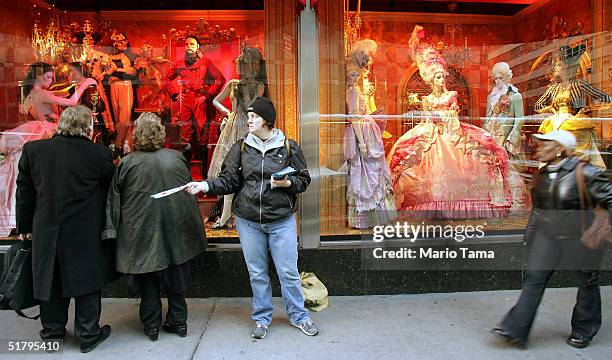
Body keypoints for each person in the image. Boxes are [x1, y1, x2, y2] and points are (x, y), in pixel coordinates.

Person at [186, 97, 319, 339]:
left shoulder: (289, 147)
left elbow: (304, 180)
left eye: (254, 116)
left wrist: (287, 183)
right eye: (248, 115)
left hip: (281, 221)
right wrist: (204, 185)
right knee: (257, 273)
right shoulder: (241, 148)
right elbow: (228, 181)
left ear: (267, 120)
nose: (249, 119)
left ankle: (299, 316)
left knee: (288, 272)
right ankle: (261, 318)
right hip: (249, 222)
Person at [386, 25, 528, 218]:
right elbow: (426, 122)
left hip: (452, 134)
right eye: (437, 77)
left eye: (443, 77)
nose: (442, 80)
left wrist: (445, 125)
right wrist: (424, 134)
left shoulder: (452, 94)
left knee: (476, 162)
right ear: (430, 79)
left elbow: (452, 120)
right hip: (430, 135)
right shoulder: (426, 100)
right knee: (409, 164)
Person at [493, 130, 612, 349]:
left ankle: (584, 330)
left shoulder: (586, 172)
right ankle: (515, 329)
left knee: (587, 283)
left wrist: (602, 228)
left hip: (580, 237)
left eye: (544, 145)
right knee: (534, 279)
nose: (538, 149)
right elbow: (538, 209)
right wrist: (529, 235)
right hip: (548, 236)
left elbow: (609, 199)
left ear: (559, 149)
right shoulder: (542, 175)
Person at [16, 105, 115, 353]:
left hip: (46, 228)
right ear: (87, 128)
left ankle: (52, 332)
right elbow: (111, 188)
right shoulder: (98, 154)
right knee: (87, 281)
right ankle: (88, 333)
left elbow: (25, 192)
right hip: (85, 231)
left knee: (50, 280)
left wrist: (24, 227)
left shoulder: (34, 151)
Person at [103, 112, 206, 341]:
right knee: (176, 276)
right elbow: (187, 195)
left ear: (136, 134)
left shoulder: (127, 163)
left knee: (147, 276)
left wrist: (112, 231)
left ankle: (151, 326)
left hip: (141, 229)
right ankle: (179, 322)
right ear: (161, 133)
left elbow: (114, 200)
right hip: (175, 226)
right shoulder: (176, 158)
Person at [0, 63, 94, 236]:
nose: (51, 81)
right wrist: (86, 83)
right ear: (38, 76)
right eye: (49, 77)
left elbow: (57, 96)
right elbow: (72, 102)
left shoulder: (33, 94)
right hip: (45, 130)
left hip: (38, 130)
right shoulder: (40, 93)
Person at [207, 46, 268, 229]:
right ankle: (226, 215)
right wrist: (227, 113)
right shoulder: (233, 83)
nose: (240, 69)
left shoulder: (258, 85)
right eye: (239, 65)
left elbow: (252, 107)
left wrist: (244, 90)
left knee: (247, 173)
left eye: (243, 65)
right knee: (230, 172)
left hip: (249, 128)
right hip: (233, 127)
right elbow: (215, 100)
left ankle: (242, 214)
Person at [344, 41, 397, 229]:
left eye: (356, 73)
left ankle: (376, 215)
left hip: (368, 131)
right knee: (364, 170)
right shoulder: (352, 92)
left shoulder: (357, 90)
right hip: (363, 134)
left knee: (373, 169)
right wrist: (362, 142)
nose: (355, 76)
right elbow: (353, 118)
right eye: (352, 73)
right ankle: (366, 216)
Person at [534, 44, 611, 169]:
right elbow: (538, 105)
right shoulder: (554, 88)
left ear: (567, 67)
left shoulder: (579, 85)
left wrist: (587, 108)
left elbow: (606, 98)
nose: (555, 67)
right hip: (556, 120)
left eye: (559, 65)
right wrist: (551, 109)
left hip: (574, 121)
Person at [163, 35, 226, 171]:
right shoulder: (179, 63)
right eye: (186, 44)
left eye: (192, 44)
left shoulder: (206, 62)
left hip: (200, 101)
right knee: (185, 135)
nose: (188, 46)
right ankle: (185, 171)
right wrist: (175, 94)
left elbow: (220, 79)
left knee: (202, 134)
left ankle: (204, 173)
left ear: (197, 47)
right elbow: (166, 78)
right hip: (186, 101)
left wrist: (208, 95)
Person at [484, 62, 525, 160]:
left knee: (506, 163)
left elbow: (520, 118)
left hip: (506, 134)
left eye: (500, 78)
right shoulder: (491, 96)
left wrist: (513, 136)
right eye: (496, 78)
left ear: (507, 77)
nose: (498, 81)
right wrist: (485, 134)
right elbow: (487, 117)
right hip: (492, 133)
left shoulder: (515, 96)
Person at [107, 32, 137, 152]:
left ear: (126, 41)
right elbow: (108, 72)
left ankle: (118, 143)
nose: (118, 43)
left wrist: (117, 72)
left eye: (121, 40)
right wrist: (121, 72)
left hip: (126, 86)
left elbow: (133, 74)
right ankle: (125, 145)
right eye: (116, 41)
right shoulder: (110, 55)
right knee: (117, 116)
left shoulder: (133, 55)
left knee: (125, 116)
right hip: (113, 87)